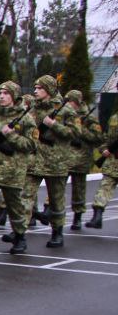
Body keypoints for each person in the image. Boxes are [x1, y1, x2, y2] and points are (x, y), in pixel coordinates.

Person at [0, 81, 37, 254]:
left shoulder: (26, 118)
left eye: (6, 93)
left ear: (14, 96)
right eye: (0, 93)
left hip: (13, 171)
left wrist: (12, 136)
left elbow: (31, 144)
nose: (2, 96)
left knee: (16, 208)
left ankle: (20, 237)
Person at [25, 74, 80, 249]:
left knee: (56, 200)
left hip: (56, 162)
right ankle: (19, 233)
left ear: (49, 90)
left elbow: (75, 133)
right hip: (35, 161)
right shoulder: (33, 108)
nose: (36, 91)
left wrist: (53, 125)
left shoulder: (66, 110)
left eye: (40, 88)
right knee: (25, 196)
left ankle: (57, 232)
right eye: (35, 88)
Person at [64, 89, 103, 230]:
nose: (67, 104)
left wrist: (80, 129)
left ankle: (77, 217)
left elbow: (97, 137)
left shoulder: (89, 118)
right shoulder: (65, 115)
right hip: (64, 157)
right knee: (57, 188)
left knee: (78, 189)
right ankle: (50, 211)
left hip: (81, 158)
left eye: (69, 101)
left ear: (76, 102)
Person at [85, 109, 118, 229]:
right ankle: (97, 217)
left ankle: (97, 217)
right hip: (113, 161)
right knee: (104, 189)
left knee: (104, 189)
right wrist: (104, 149)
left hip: (112, 161)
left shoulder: (115, 117)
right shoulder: (114, 117)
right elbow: (107, 138)